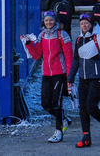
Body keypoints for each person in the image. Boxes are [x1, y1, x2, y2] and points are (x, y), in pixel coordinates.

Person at [23, 10, 74, 143]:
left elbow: (69, 57)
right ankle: (63, 119)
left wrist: (70, 77)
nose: (49, 22)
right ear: (43, 22)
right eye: (46, 20)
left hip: (60, 73)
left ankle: (58, 132)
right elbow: (37, 55)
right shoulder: (42, 35)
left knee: (56, 103)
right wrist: (28, 44)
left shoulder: (62, 35)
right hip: (47, 74)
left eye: (51, 20)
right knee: (45, 104)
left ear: (55, 21)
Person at [67, 13, 100, 148]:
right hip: (83, 78)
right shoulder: (78, 39)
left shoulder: (97, 37)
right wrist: (70, 77)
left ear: (91, 24)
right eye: (82, 23)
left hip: (98, 77)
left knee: (91, 107)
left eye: (86, 23)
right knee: (82, 109)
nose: (84, 25)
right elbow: (76, 60)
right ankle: (86, 137)